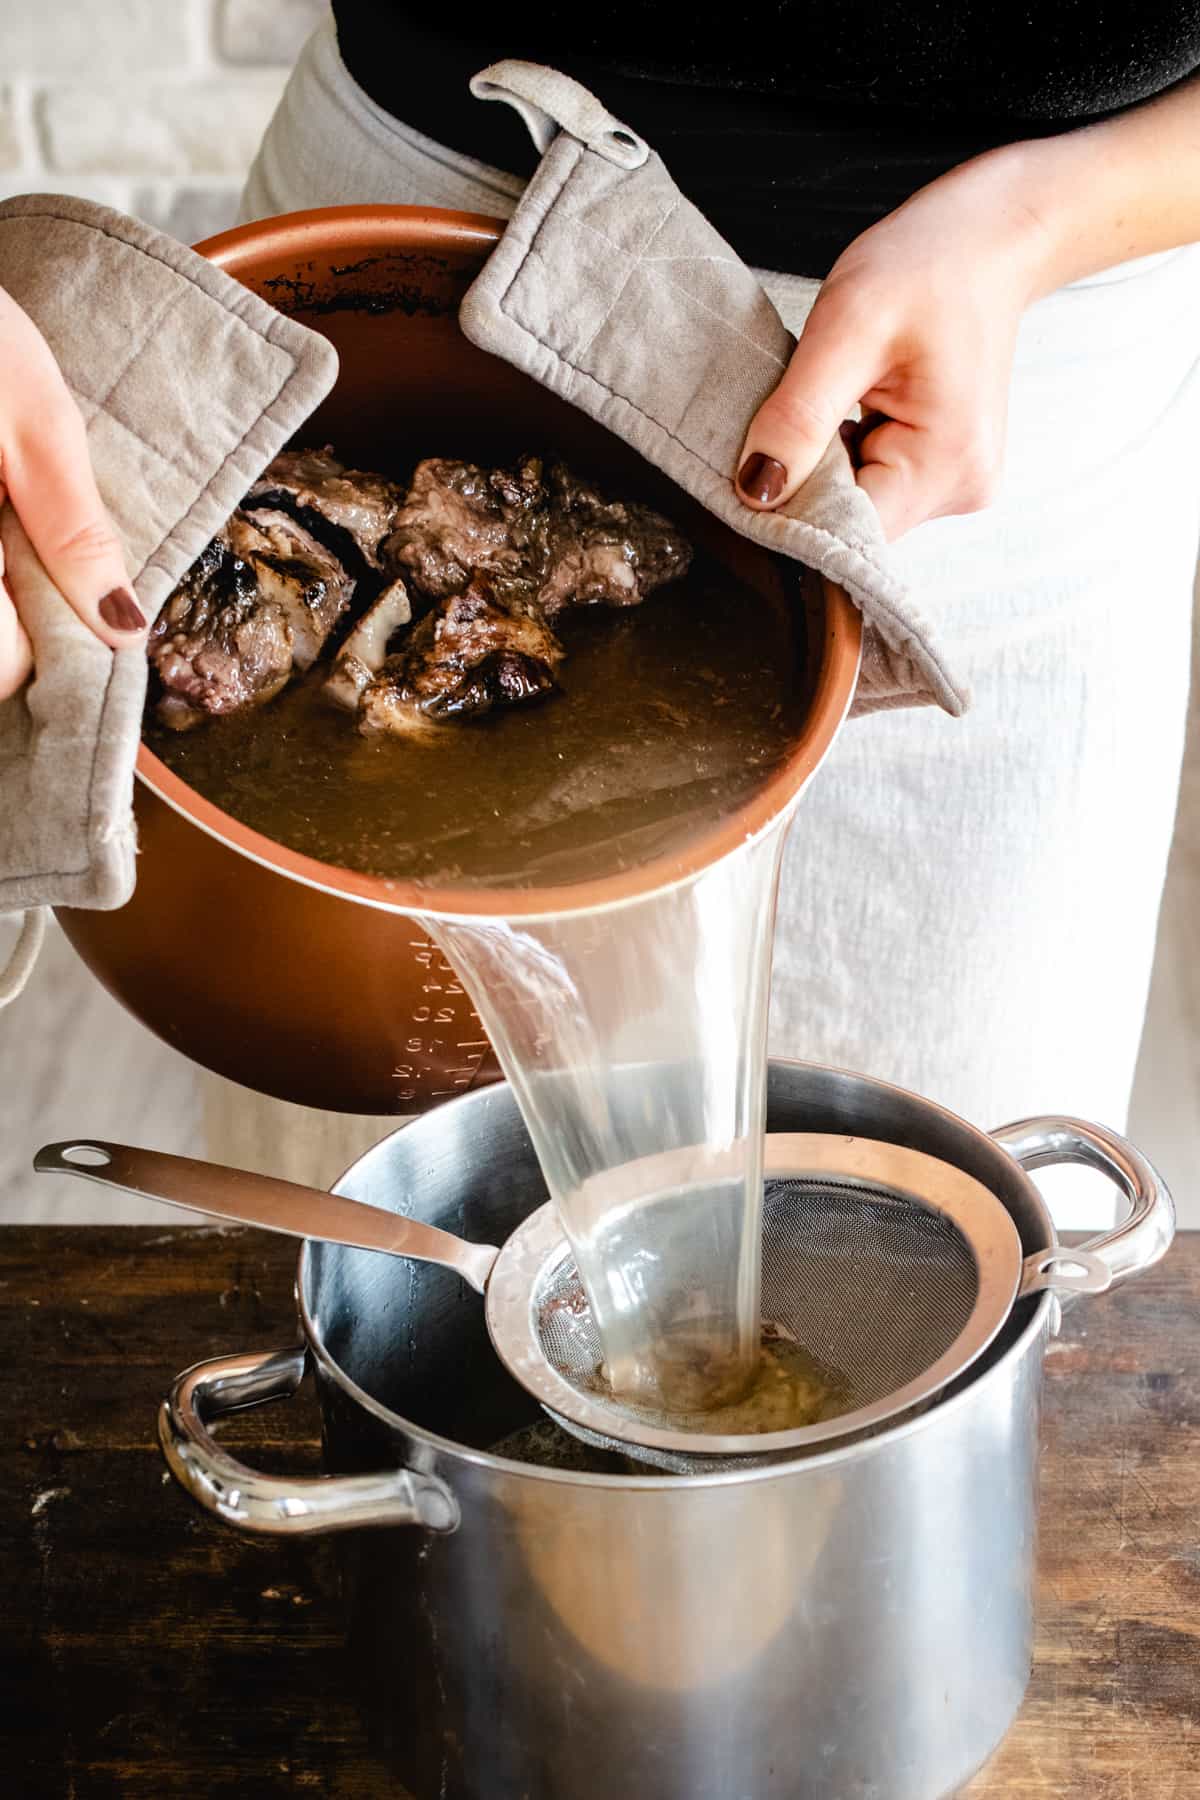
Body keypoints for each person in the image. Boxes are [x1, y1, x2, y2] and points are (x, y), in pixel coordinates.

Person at [3, 7, 1199, 1193]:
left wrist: (1037, 226)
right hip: (387, 262)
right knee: (374, 1213)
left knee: (932, 1209)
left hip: (982, 377)